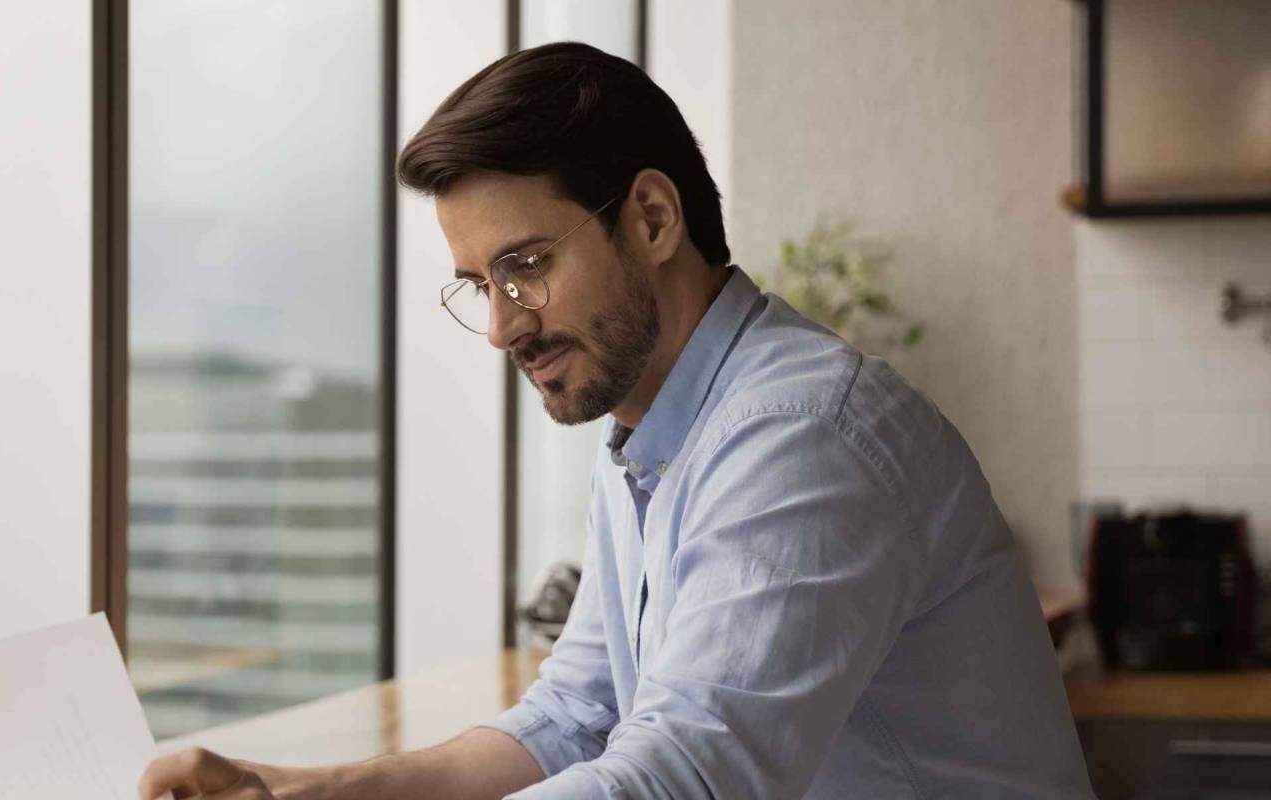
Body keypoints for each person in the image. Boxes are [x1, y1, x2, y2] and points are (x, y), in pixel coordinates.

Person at [139, 42, 1094, 799]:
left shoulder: (801, 435)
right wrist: (307, 793)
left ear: (649, 217)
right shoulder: (649, 429)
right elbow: (579, 716)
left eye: (526, 267)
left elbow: (685, 777)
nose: (504, 326)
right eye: (481, 285)